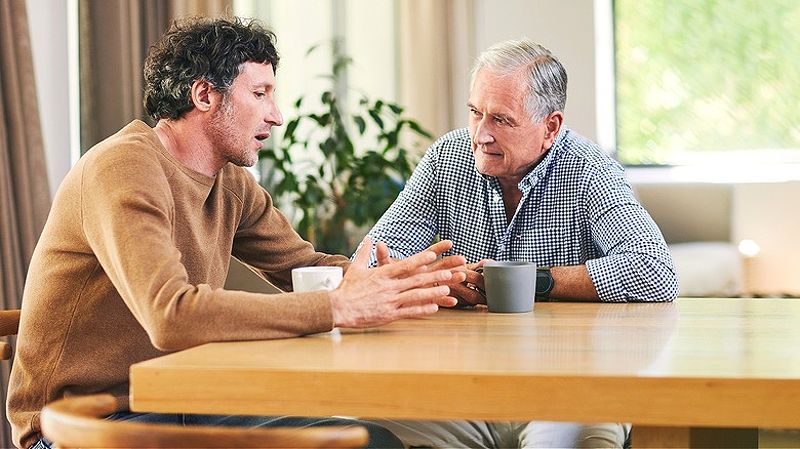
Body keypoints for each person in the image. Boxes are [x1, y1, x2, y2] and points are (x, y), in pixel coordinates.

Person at [7, 17, 468, 449]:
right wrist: (336, 306)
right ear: (205, 95)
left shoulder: (231, 184)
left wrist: (408, 282)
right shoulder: (124, 168)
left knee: (370, 437)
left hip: (172, 406)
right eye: (260, 93)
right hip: (84, 428)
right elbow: (172, 316)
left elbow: (304, 268)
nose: (276, 115)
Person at [361, 38, 679, 448]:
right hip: (464, 389)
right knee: (356, 429)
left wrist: (533, 281)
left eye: (501, 120)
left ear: (551, 127)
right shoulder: (447, 157)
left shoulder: (589, 169)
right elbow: (372, 259)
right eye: (476, 113)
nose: (481, 134)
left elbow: (655, 270)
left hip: (570, 390)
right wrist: (433, 281)